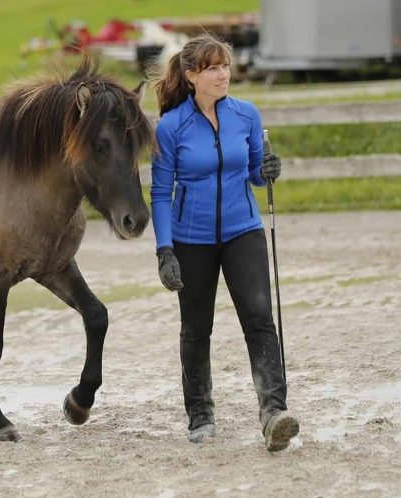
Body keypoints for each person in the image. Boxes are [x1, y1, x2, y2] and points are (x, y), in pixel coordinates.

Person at [148, 33, 299, 451]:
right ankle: (200, 414)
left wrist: (266, 170)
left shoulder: (246, 114)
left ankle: (274, 412)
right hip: (190, 239)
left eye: (225, 66)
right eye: (212, 68)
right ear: (191, 75)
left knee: (259, 317)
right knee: (196, 328)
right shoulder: (170, 127)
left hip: (242, 230)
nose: (222, 75)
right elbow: (160, 193)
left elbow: (254, 173)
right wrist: (164, 250)